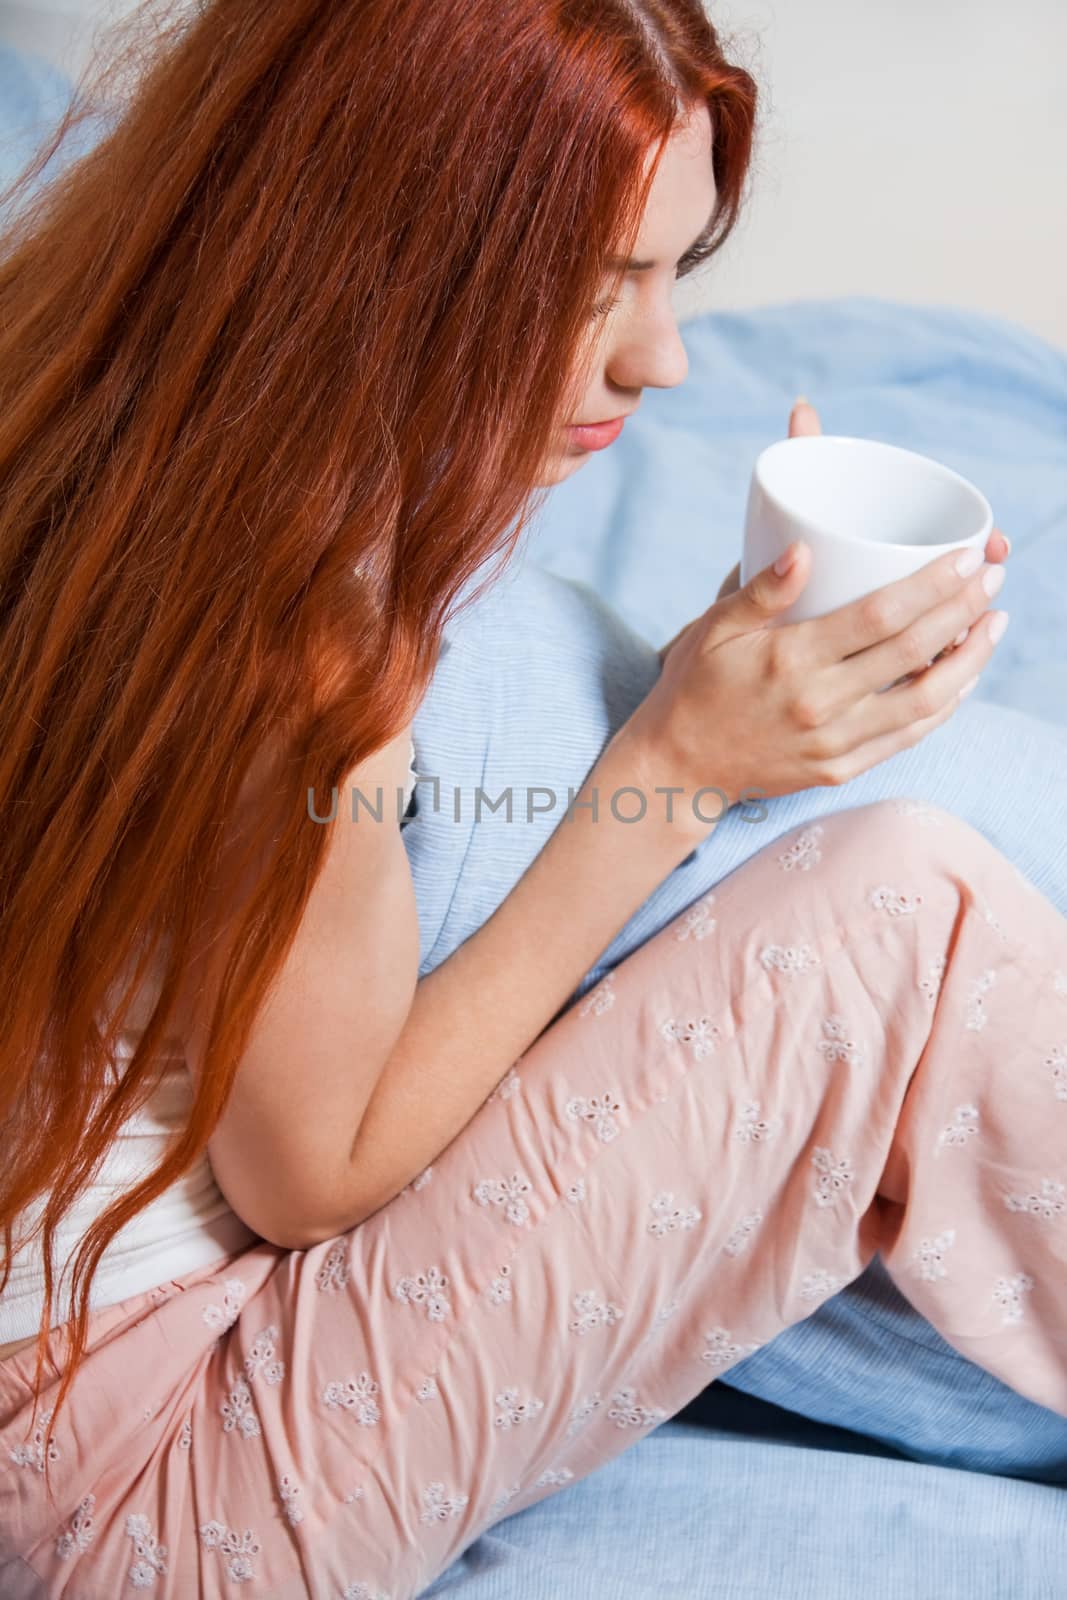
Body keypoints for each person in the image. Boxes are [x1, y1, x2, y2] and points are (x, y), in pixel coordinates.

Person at [0, 2, 1053, 1596]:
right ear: (374, 250)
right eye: (586, 289)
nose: (661, 358)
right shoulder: (289, 630)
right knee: (910, 916)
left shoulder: (75, 374)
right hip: (143, 1486)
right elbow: (319, 1172)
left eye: (671, 272)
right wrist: (673, 767)